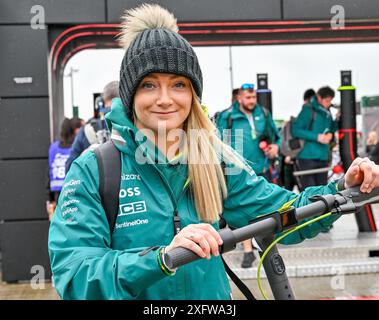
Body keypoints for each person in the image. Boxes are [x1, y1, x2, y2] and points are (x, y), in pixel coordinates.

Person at [48, 4, 379, 300]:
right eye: (149, 84)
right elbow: (76, 277)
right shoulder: (95, 169)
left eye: (179, 84)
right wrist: (160, 259)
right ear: (130, 94)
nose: (165, 98)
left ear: (193, 95)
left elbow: (284, 215)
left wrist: (342, 189)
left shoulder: (214, 163)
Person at [216, 84, 282, 268]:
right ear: (239, 98)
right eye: (248, 98)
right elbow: (217, 143)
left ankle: (265, 247)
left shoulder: (264, 114)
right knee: (244, 212)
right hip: (236, 173)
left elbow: (275, 137)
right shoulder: (227, 116)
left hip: (261, 169)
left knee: (265, 211)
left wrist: (275, 147)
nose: (252, 101)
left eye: (253, 98)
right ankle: (247, 251)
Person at [65, 81, 120, 173]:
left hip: (96, 185)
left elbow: (69, 168)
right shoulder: (133, 124)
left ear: (101, 101)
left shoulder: (87, 129)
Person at [292, 86, 338, 191]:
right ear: (318, 97)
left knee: (322, 191)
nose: (328, 103)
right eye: (326, 100)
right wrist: (317, 137)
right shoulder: (308, 110)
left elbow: (331, 128)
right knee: (310, 192)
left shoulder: (327, 113)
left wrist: (331, 133)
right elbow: (295, 130)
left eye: (330, 101)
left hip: (323, 157)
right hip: (307, 157)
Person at [46, 117, 83, 220]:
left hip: (58, 195)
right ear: (75, 130)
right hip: (75, 193)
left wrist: (50, 199)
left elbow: (49, 173)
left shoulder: (53, 148)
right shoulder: (76, 149)